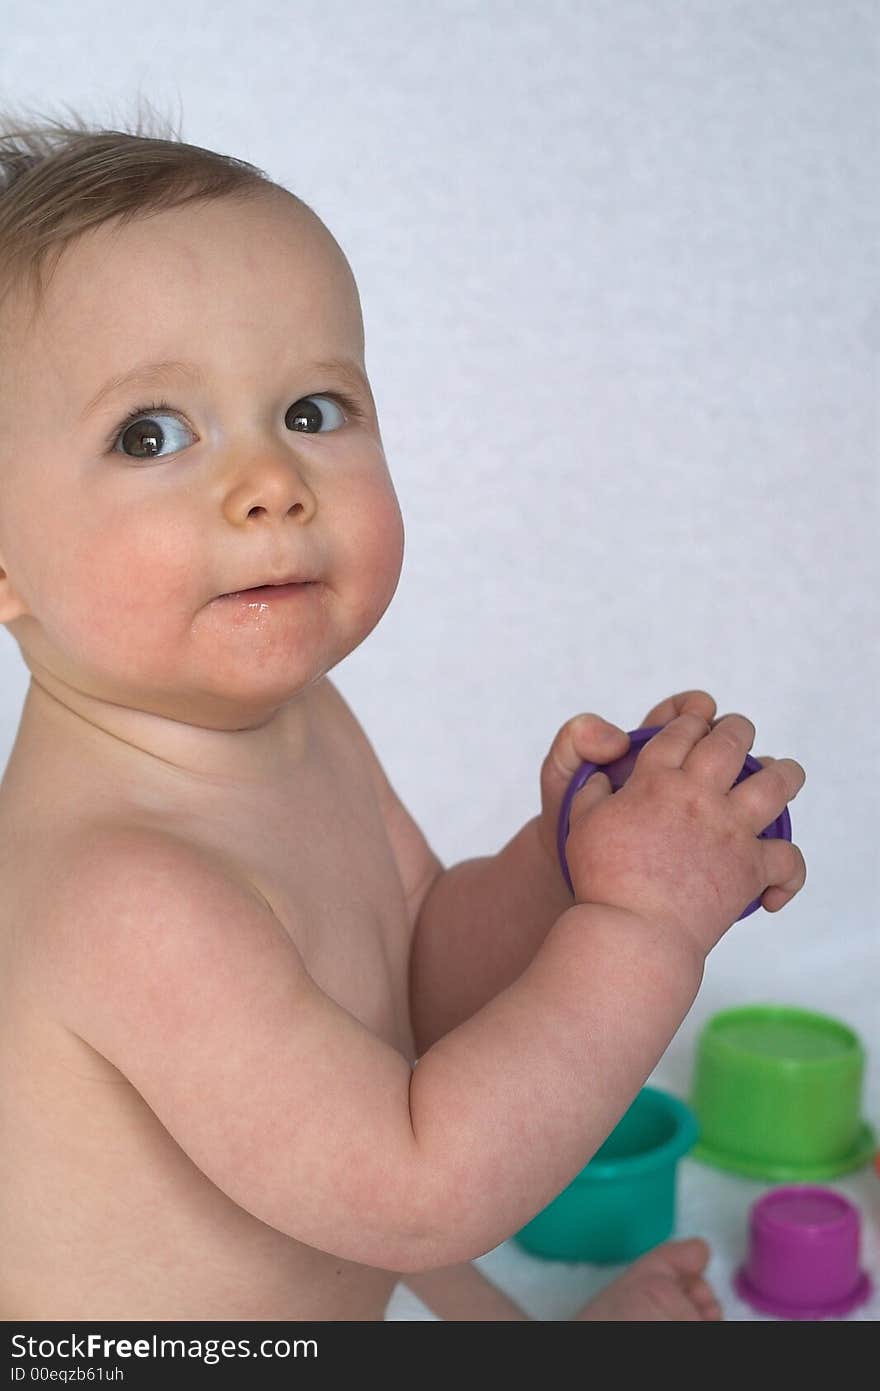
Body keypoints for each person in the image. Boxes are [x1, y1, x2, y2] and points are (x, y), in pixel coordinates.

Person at [0, 107, 806, 1322]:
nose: (271, 484)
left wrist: (568, 875)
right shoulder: (125, 892)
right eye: (150, 432)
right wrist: (644, 929)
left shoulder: (305, 725)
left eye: (313, 412)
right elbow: (420, 1188)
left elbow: (421, 973)